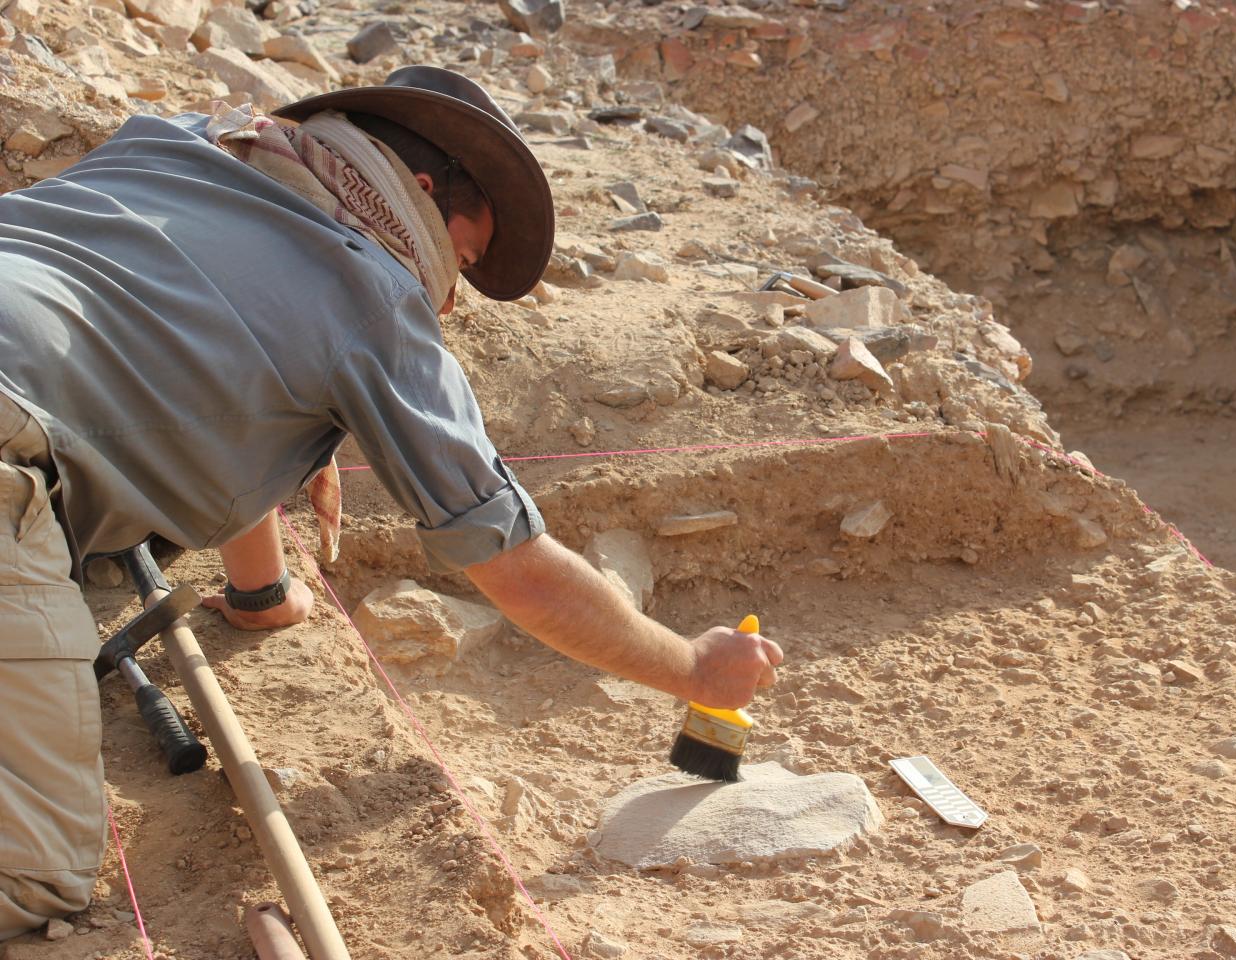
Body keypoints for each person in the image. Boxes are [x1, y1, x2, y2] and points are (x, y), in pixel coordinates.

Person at [0, 66, 783, 939]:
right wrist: (694, 669)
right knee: (28, 890)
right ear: (416, 185)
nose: (451, 290)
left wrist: (261, 590)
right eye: (467, 253)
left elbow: (201, 351)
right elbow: (515, 565)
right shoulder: (373, 296)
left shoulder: (184, 140)